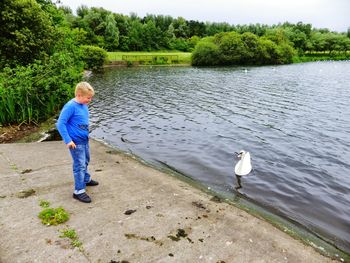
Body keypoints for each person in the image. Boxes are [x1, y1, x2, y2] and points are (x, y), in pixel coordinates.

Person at [56, 81, 99, 203]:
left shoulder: (83, 105)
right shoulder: (70, 106)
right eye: (88, 98)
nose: (90, 100)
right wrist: (68, 140)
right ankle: (79, 191)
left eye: (90, 98)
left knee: (86, 160)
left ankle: (85, 179)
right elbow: (60, 123)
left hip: (84, 140)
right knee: (79, 165)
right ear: (79, 95)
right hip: (75, 142)